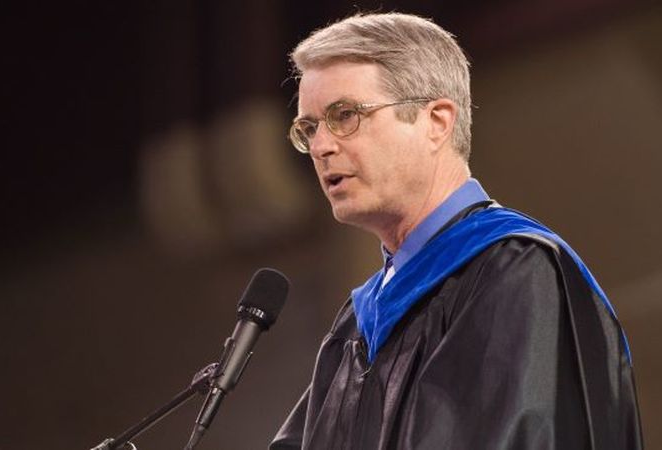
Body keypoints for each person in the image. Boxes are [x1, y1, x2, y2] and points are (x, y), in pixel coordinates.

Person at [271, 12, 642, 450]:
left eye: (345, 115)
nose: (320, 146)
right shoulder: (358, 325)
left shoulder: (515, 272)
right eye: (308, 128)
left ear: (437, 122)